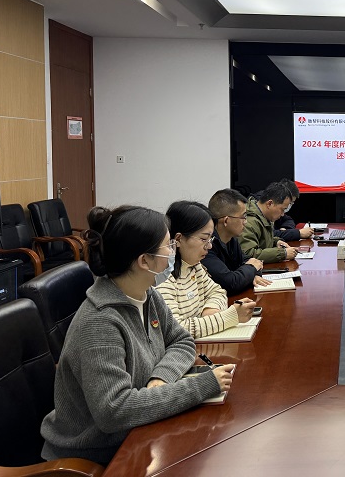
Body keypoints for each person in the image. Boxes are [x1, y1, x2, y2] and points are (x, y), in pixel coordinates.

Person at [40, 205, 234, 465]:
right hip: (97, 455)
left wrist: (161, 378)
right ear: (144, 261)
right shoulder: (100, 322)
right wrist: (201, 386)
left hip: (138, 432)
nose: (173, 252)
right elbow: (114, 411)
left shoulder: (147, 294)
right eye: (168, 246)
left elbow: (182, 340)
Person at [156, 201, 257, 338]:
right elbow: (176, 329)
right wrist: (229, 317)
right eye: (204, 239)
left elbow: (218, 291)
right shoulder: (163, 277)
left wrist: (211, 309)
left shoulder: (194, 266)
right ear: (178, 239)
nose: (209, 246)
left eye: (210, 239)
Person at [204, 188, 272, 295]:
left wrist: (252, 274)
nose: (246, 222)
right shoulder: (206, 246)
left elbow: (252, 262)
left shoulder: (232, 239)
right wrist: (251, 269)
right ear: (226, 220)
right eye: (243, 217)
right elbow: (230, 283)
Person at [239, 181, 299, 262]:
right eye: (282, 209)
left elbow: (262, 240)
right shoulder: (249, 221)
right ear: (270, 204)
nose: (282, 214)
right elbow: (248, 254)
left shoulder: (264, 216)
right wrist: (282, 254)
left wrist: (276, 242)